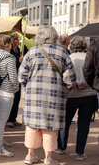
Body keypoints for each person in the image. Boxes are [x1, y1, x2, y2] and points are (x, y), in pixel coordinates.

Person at [18, 25, 76, 165]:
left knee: (32, 126)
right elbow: (70, 79)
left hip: (33, 96)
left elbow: (21, 77)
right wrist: (64, 91)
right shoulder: (63, 53)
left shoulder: (31, 52)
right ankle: (48, 158)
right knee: (50, 127)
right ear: (54, 36)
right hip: (55, 96)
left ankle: (30, 156)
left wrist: (29, 88)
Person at [55, 35, 97, 161]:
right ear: (85, 45)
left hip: (70, 95)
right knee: (84, 124)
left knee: (65, 122)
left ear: (71, 45)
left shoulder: (68, 58)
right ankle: (80, 152)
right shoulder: (90, 57)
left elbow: (62, 75)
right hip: (90, 94)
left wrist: (72, 85)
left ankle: (61, 147)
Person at [6, 32, 23, 128]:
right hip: (12, 78)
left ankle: (13, 118)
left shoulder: (18, 50)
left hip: (18, 78)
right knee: (12, 99)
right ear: (13, 41)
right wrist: (19, 61)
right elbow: (12, 65)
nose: (19, 41)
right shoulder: (10, 52)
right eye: (17, 39)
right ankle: (8, 119)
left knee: (17, 99)